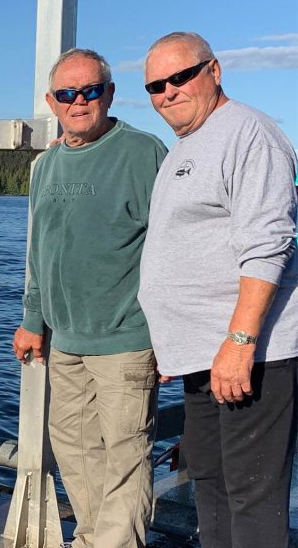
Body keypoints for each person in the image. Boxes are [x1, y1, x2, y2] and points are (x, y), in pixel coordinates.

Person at [138, 32, 298, 548]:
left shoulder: (250, 134)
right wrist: (173, 341)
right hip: (201, 357)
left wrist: (241, 342)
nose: (169, 92)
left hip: (251, 357)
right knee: (208, 478)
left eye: (181, 77)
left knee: (252, 494)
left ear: (215, 71)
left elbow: (269, 244)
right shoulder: (187, 146)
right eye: (156, 85)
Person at [12, 48, 167, 548]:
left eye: (90, 90)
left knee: (125, 455)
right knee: (75, 450)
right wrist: (33, 318)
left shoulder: (143, 154)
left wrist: (171, 333)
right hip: (64, 340)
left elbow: (171, 250)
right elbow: (40, 249)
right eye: (67, 93)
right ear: (52, 101)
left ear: (110, 93)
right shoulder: (46, 165)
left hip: (127, 338)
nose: (79, 101)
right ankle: (94, 538)